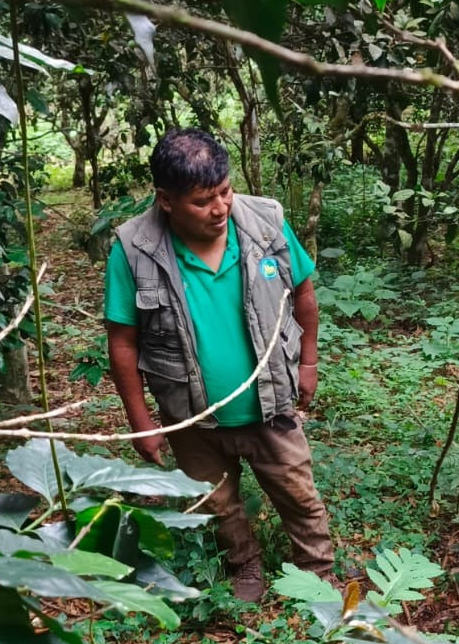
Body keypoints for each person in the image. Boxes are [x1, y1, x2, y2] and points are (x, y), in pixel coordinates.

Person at [104, 128, 334, 602]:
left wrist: (308, 362)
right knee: (217, 500)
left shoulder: (266, 222)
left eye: (225, 191)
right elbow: (122, 341)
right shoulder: (134, 248)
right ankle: (243, 564)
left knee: (299, 493)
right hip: (190, 414)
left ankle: (317, 573)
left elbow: (304, 293)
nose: (221, 207)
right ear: (166, 200)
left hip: (270, 403)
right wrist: (141, 423)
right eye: (203, 200)